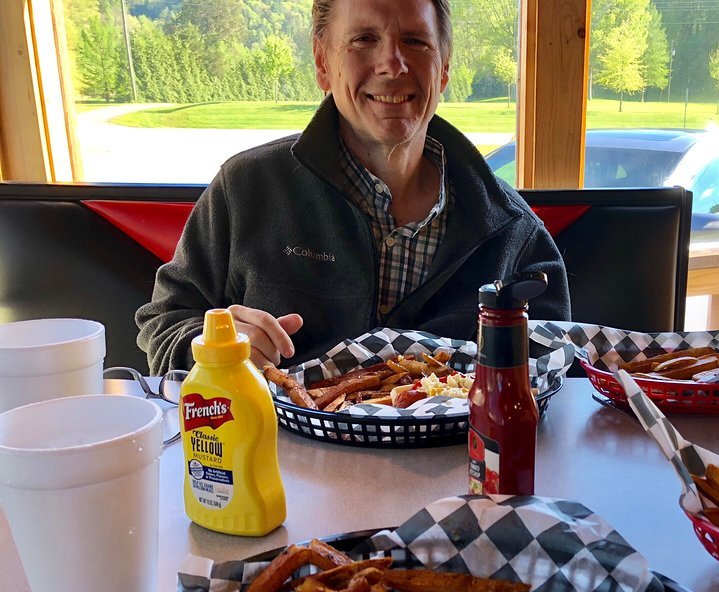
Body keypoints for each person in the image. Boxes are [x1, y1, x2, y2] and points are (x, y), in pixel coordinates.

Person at [136, 0, 570, 374]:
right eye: (363, 39)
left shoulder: (514, 232)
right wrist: (215, 352)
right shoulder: (246, 189)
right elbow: (165, 321)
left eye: (416, 42)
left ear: (444, 69)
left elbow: (553, 376)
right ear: (323, 64)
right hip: (278, 464)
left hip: (460, 468)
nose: (392, 64)